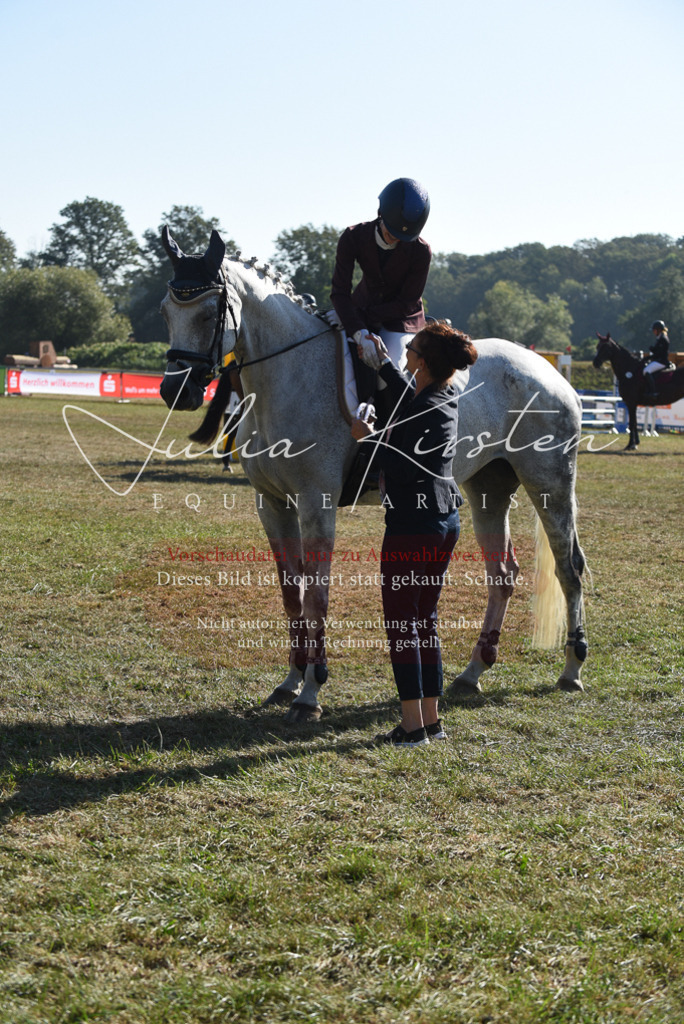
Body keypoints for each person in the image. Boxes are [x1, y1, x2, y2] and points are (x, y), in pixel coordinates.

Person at [351, 321, 478, 746]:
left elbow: (407, 466)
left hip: (415, 525)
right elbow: (408, 395)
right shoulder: (438, 393)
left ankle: (411, 727)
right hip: (439, 521)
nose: (406, 355)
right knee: (423, 621)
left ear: (422, 361)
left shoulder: (434, 402)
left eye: (411, 351)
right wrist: (384, 364)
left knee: (404, 623)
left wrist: (367, 439)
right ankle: (430, 721)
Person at [329, 178, 431, 398]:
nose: (395, 238)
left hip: (401, 320)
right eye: (391, 231)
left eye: (402, 236)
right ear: (381, 213)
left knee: (387, 373)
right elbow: (339, 291)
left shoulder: (421, 251)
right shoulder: (353, 237)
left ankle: (386, 429)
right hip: (362, 311)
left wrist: (360, 318)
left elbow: (407, 303)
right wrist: (358, 329)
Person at [643, 320, 670, 397]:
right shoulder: (660, 337)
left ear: (658, 330)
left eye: (654, 330)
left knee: (646, 371)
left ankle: (653, 391)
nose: (653, 332)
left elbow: (659, 353)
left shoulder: (663, 339)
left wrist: (650, 355)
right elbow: (657, 351)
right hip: (658, 360)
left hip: (661, 362)